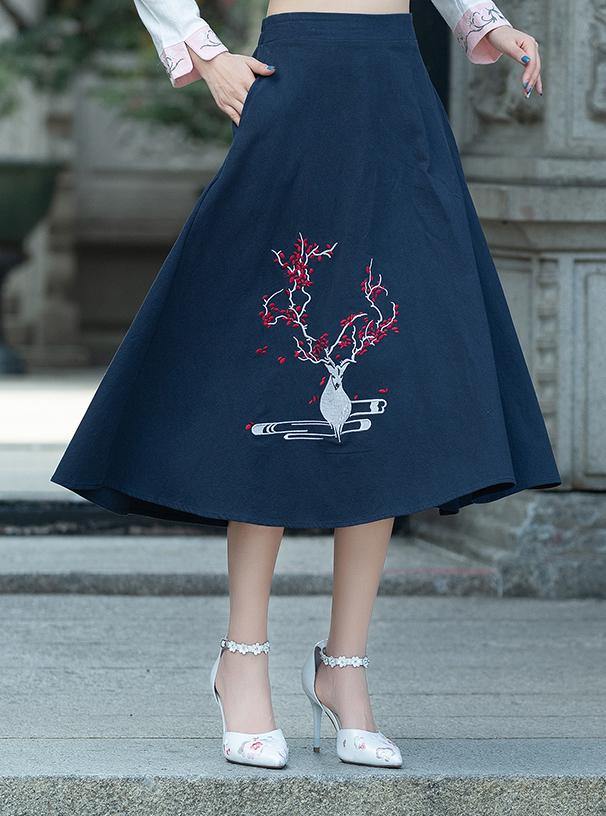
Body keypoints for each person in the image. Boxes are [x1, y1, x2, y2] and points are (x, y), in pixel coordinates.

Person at [51, 0, 560, 769]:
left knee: (385, 366)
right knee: (273, 376)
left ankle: (343, 668)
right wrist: (202, 51)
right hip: (296, 85)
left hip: (397, 93)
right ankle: (242, 659)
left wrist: (483, 23)